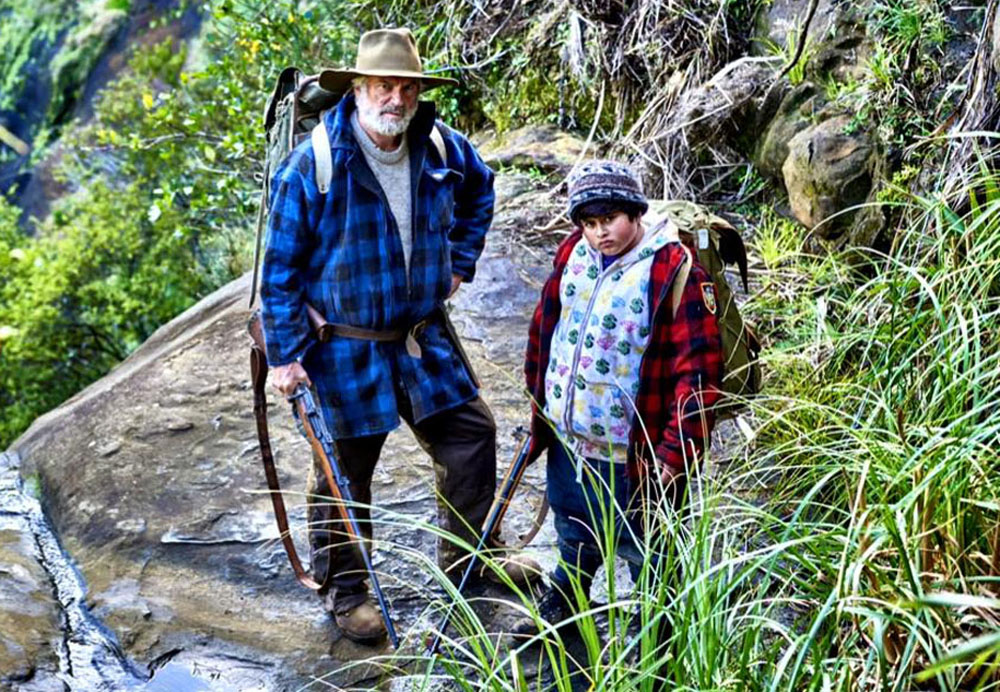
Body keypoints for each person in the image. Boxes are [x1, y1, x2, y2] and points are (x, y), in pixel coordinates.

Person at [260, 27, 538, 645]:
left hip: (419, 333)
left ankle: (470, 557)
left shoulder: (439, 144)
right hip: (345, 343)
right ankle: (347, 591)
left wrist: (460, 261)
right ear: (358, 89)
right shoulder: (316, 163)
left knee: (470, 436)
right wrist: (285, 356)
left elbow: (481, 189)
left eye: (406, 86)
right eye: (383, 85)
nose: (396, 98)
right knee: (343, 468)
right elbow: (277, 271)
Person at [516, 160, 723, 636]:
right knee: (572, 527)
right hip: (572, 441)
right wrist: (540, 410)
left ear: (634, 212)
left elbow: (699, 372)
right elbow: (545, 332)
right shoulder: (573, 254)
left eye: (609, 219)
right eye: (589, 223)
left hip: (638, 453)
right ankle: (566, 601)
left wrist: (675, 453)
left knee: (648, 548)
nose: (599, 233)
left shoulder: (672, 270)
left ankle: (661, 627)